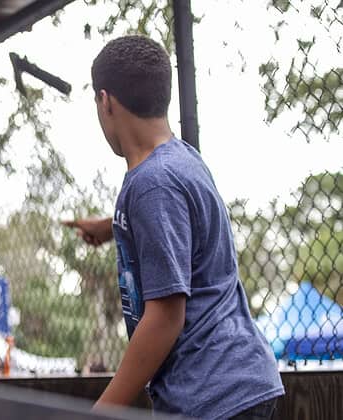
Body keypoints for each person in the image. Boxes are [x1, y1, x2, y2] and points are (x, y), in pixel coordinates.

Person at [63, 35, 284, 420]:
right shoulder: (181, 159)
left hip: (214, 396)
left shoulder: (152, 184)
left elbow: (166, 316)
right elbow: (181, 230)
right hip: (238, 383)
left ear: (106, 101)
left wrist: (101, 411)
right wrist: (110, 226)